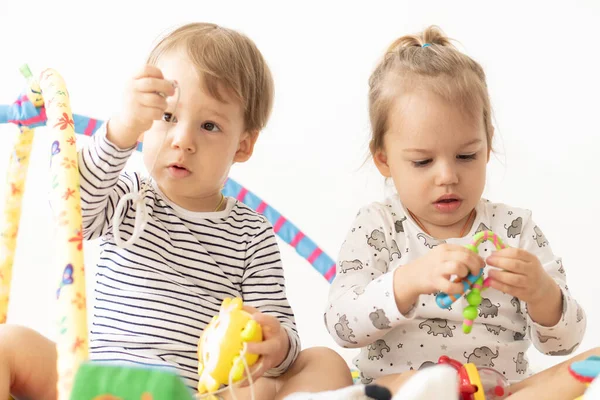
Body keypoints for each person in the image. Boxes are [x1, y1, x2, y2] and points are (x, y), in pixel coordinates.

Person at [0, 22, 352, 400]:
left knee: (326, 363)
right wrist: (120, 131)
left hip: (193, 395)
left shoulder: (252, 233)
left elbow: (278, 339)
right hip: (98, 386)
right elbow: (71, 210)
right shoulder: (128, 196)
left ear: (243, 146)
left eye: (209, 126)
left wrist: (277, 344)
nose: (183, 140)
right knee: (9, 343)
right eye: (168, 117)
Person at [322, 25, 590, 399]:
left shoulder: (515, 228)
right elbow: (342, 327)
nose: (447, 176)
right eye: (422, 161)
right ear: (383, 159)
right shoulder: (378, 226)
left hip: (499, 392)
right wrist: (408, 281)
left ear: (488, 144)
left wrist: (544, 295)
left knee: (591, 363)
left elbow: (564, 345)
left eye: (467, 156)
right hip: (400, 390)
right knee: (328, 365)